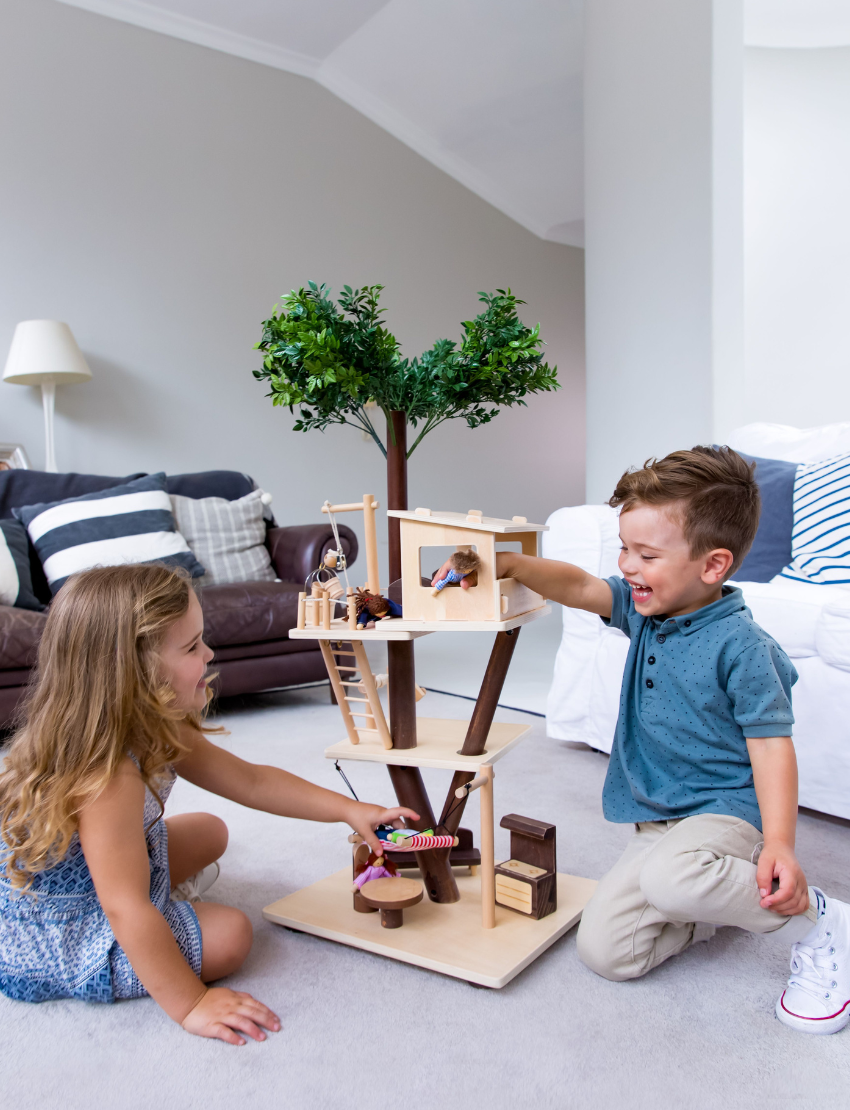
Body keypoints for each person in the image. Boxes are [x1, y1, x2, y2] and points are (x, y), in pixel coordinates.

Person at [434, 445, 850, 1034]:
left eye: (646, 554)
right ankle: (702, 901)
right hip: (659, 820)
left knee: (670, 878)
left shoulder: (744, 647)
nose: (627, 565)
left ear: (713, 566)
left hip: (725, 809)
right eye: (625, 548)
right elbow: (578, 586)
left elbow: (772, 747)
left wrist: (780, 841)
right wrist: (510, 565)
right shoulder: (643, 610)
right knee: (607, 954)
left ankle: (827, 923)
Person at [0, 564, 417, 1045]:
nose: (209, 653)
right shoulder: (108, 775)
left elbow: (252, 781)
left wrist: (350, 809)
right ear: (135, 670)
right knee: (233, 935)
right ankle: (154, 939)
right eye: (192, 646)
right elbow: (124, 907)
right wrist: (190, 1004)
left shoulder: (156, 725)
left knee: (210, 830)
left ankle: (163, 906)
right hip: (71, 930)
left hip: (103, 876)